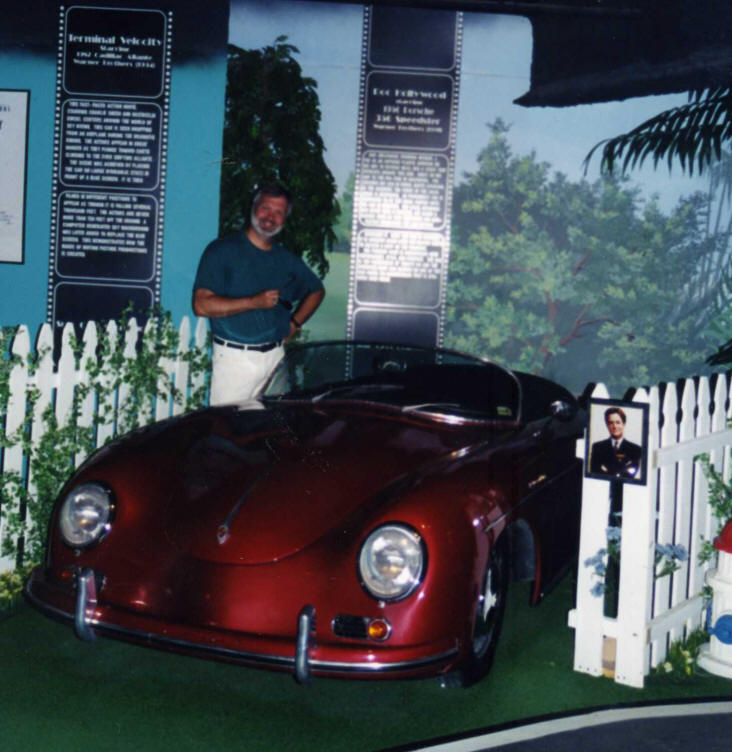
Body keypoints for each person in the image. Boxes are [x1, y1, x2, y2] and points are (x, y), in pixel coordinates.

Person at [193, 183, 325, 405]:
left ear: (285, 218)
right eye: (265, 208)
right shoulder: (222, 250)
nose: (270, 217)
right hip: (235, 362)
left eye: (278, 212)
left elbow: (317, 291)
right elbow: (201, 305)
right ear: (253, 208)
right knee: (232, 426)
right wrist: (253, 302)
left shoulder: (285, 259)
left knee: (271, 425)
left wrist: (294, 324)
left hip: (275, 360)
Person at [590, 406, 642, 479]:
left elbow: (631, 473)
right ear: (607, 425)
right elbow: (595, 472)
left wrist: (608, 470)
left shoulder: (635, 449)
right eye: (611, 423)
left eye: (618, 422)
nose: (614, 426)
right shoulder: (597, 447)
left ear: (623, 424)